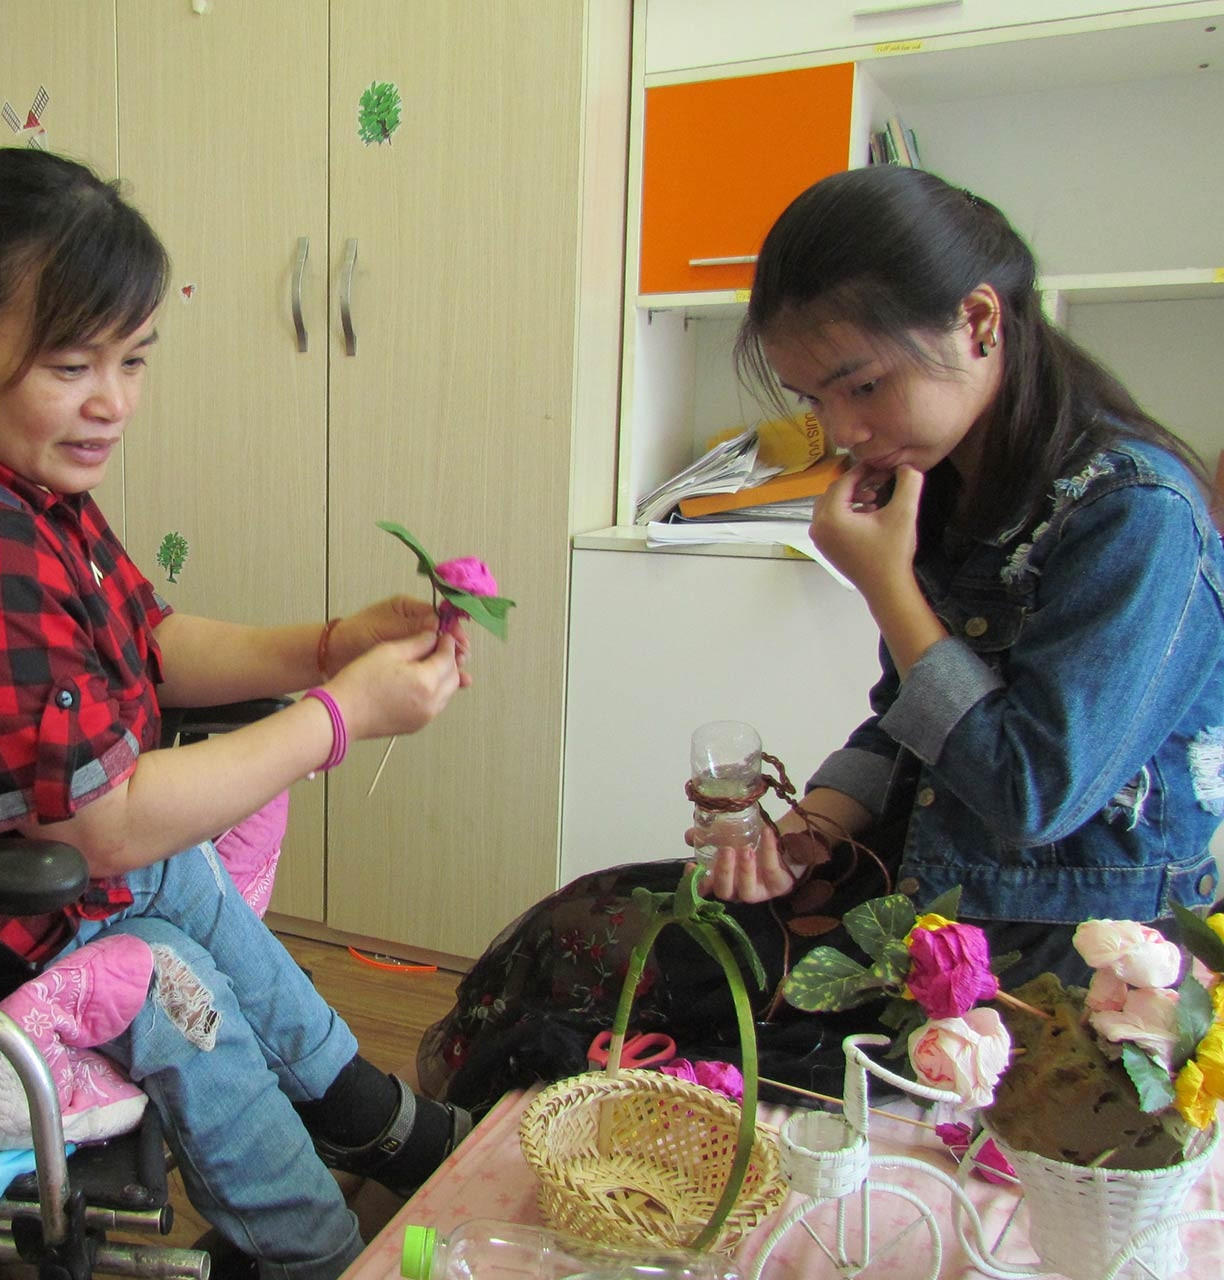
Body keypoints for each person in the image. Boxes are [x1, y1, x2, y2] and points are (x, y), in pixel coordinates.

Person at [0, 146, 470, 1280]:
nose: (113, 402)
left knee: (177, 872)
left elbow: (153, 638)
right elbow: (104, 824)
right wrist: (340, 716)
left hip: (13, 856)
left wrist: (332, 642)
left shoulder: (23, 485)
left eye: (134, 360)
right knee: (164, 961)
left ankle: (358, 1108)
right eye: (73, 363)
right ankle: (319, 1244)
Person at [420, 164, 1224, 1115]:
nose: (845, 431)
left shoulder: (1137, 515)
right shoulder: (948, 481)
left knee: (635, 1043)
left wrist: (885, 582)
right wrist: (810, 830)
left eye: (864, 385)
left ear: (979, 323)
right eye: (818, 402)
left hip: (1055, 954)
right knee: (584, 933)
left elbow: (1030, 792)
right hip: (919, 886)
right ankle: (420, 1151)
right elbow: (906, 723)